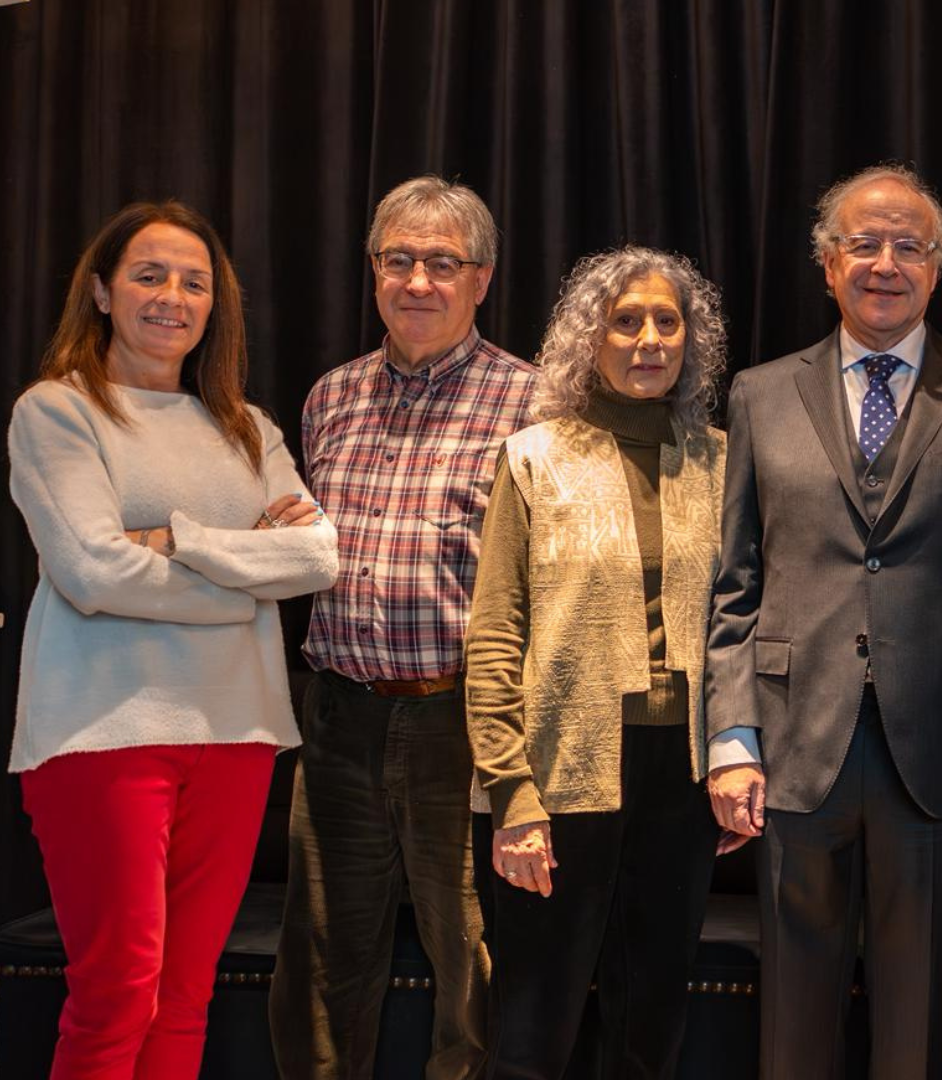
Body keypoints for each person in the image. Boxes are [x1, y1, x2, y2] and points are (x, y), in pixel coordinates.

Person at [703, 162, 942, 1078]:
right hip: (790, 746)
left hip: (938, 746)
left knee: (911, 1030)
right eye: (865, 243)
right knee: (794, 1024)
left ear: (936, 269)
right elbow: (733, 583)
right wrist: (730, 738)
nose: (886, 263)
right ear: (827, 264)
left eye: (909, 246)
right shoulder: (759, 394)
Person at [8, 200, 338, 1079]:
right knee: (119, 989)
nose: (172, 296)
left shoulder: (247, 426)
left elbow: (314, 556)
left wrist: (179, 540)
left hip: (238, 733)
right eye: (149, 275)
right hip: (102, 733)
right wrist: (242, 581)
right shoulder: (58, 412)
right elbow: (89, 569)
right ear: (102, 292)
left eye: (195, 282)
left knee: (186, 996)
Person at [271, 176, 537, 1080]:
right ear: (373, 271)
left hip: (463, 723)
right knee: (320, 958)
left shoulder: (536, 405)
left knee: (472, 963)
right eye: (399, 260)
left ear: (481, 278)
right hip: (338, 717)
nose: (418, 280)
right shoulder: (329, 398)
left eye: (441, 263)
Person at [464, 246, 729, 1078]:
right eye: (626, 321)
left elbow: (745, 622)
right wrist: (511, 792)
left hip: (682, 774)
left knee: (650, 1026)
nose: (649, 340)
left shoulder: (721, 460)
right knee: (534, 1031)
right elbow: (497, 633)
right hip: (561, 767)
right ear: (592, 338)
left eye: (667, 322)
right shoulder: (536, 455)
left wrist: (736, 757)